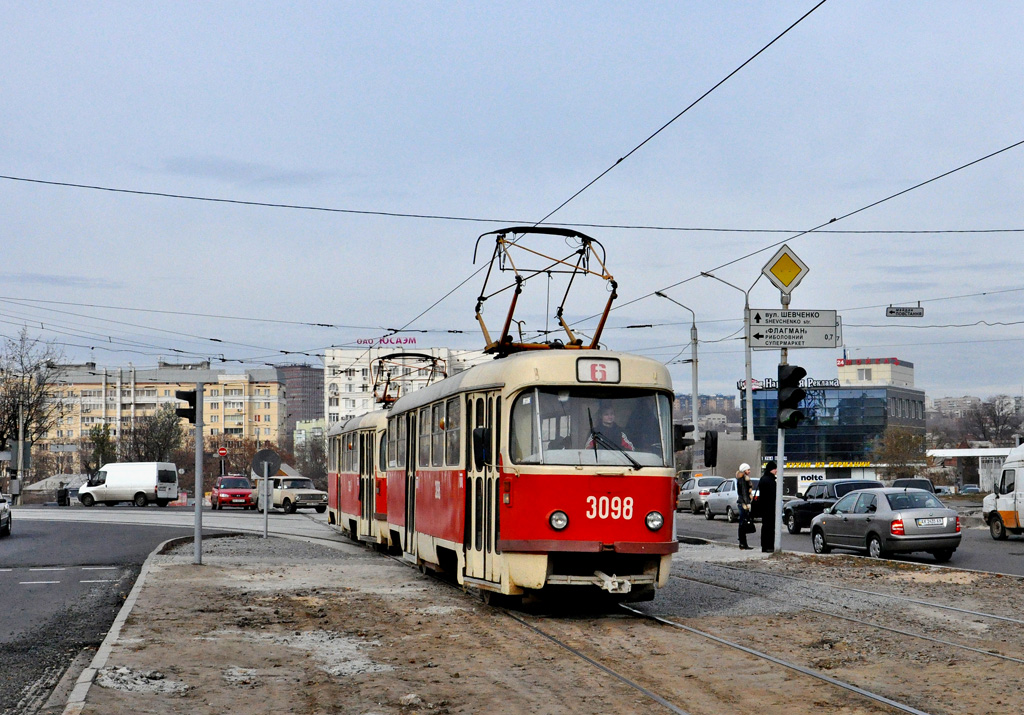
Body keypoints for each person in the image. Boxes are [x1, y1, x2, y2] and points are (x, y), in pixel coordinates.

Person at [758, 461, 778, 553]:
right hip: (770, 507)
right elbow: (774, 495)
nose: (776, 471)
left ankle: (764, 546)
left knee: (765, 526)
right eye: (775, 469)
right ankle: (770, 546)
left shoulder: (763, 479)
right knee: (770, 527)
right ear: (771, 469)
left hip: (763, 507)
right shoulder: (770, 480)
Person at [736, 463, 754, 550]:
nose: (749, 471)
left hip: (742, 503)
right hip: (743, 504)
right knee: (743, 523)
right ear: (744, 470)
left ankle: (743, 543)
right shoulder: (743, 480)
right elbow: (744, 493)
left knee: (742, 523)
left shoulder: (742, 479)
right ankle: (743, 543)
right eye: (748, 470)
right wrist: (747, 503)